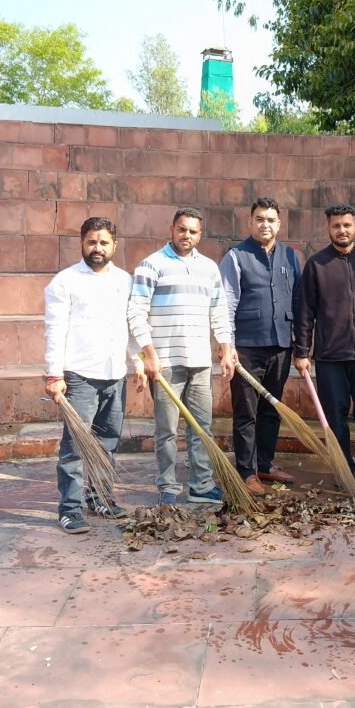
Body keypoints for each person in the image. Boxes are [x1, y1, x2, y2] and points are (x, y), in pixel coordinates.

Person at [128, 207, 234, 506]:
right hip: (166, 364)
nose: (186, 235)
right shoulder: (151, 265)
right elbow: (136, 311)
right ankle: (168, 487)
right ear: (172, 229)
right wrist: (148, 354)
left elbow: (219, 311)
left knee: (202, 428)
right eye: (181, 229)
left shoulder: (210, 268)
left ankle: (201, 485)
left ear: (200, 234)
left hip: (200, 361)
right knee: (167, 431)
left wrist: (225, 348)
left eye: (192, 231)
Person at [44, 217, 143, 533]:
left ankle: (100, 498)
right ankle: (70, 509)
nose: (97, 248)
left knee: (107, 444)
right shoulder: (65, 281)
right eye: (91, 242)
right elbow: (54, 330)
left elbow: (127, 327)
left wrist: (136, 361)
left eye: (103, 242)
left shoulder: (125, 281)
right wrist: (53, 375)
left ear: (114, 244)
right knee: (74, 448)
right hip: (79, 376)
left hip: (115, 374)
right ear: (82, 243)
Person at [293, 204, 355, 482]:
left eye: (347, 225)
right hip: (330, 355)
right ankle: (344, 466)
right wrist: (302, 352)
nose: (342, 230)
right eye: (336, 226)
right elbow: (305, 311)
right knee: (336, 415)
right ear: (329, 229)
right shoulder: (316, 264)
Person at [220, 198, 301, 496]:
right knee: (246, 413)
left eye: (270, 219)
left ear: (279, 224)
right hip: (247, 348)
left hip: (280, 346)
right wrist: (227, 346)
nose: (265, 224)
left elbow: (297, 301)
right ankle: (247, 471)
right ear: (250, 222)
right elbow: (226, 304)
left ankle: (265, 463)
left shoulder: (291, 257)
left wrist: (300, 345)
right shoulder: (236, 256)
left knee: (271, 410)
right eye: (259, 219)